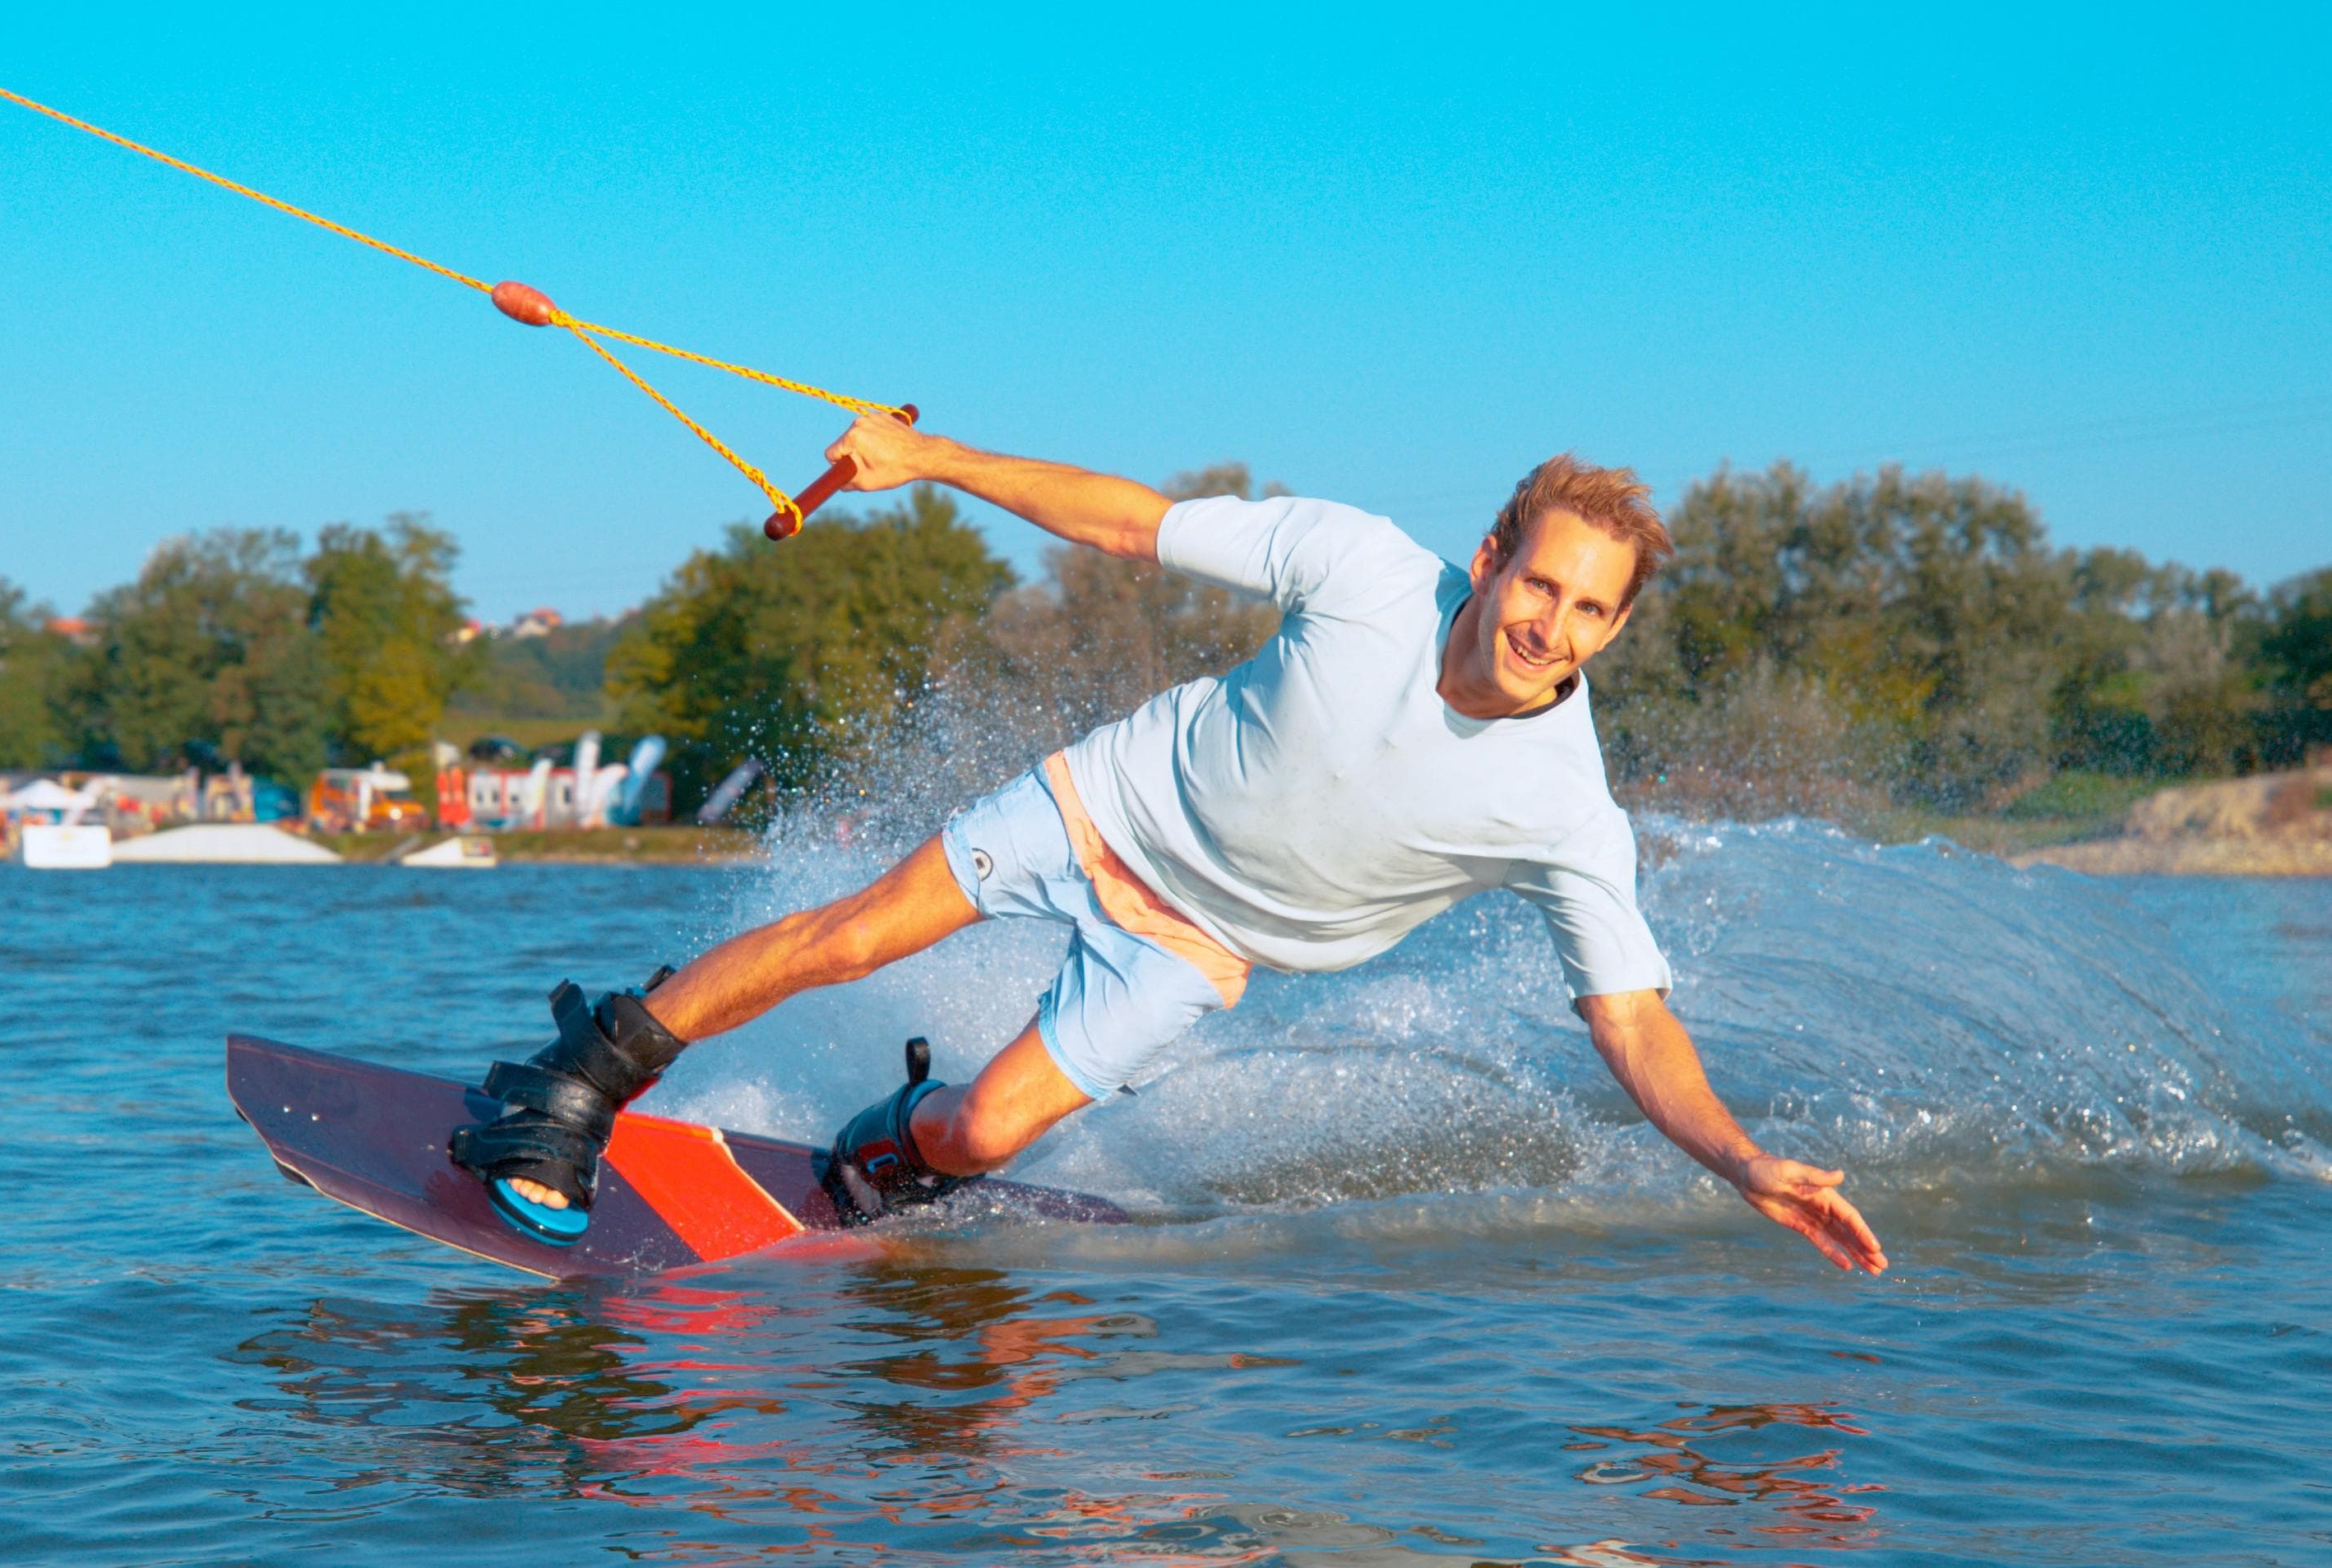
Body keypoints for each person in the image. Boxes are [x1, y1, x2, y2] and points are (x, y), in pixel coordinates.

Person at [451, 414, 1888, 1274]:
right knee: (857, 933)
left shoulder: (1569, 810)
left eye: (1592, 613)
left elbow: (1633, 1025)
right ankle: (575, 1083)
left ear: (1618, 625)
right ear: (1496, 550)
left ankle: (881, 1154)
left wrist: (1741, 1161)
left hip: (1199, 948)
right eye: (1542, 585)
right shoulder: (1367, 568)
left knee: (980, 1134)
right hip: (1105, 808)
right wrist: (930, 458)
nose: (1551, 629)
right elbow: (1130, 524)